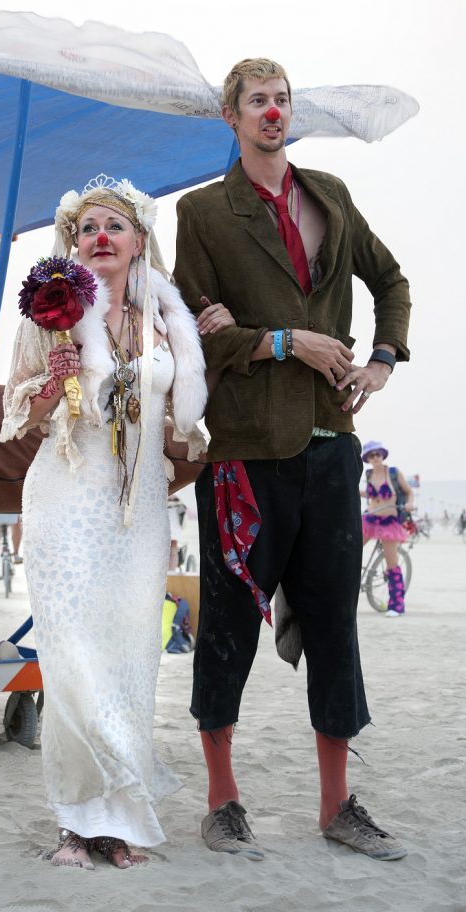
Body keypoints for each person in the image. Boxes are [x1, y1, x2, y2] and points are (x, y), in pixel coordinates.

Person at [173, 58, 411, 861]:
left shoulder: (330, 196)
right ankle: (221, 801)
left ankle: (337, 806)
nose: (272, 112)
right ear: (231, 117)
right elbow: (195, 332)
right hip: (243, 452)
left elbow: (390, 281)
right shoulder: (203, 212)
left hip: (331, 444)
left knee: (335, 624)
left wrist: (381, 358)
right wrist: (282, 341)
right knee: (228, 625)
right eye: (257, 102)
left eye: (281, 100)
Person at [0, 174, 206, 869]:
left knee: (127, 656)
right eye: (87, 228)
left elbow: (181, 421)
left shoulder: (164, 324)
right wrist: (53, 377)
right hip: (66, 500)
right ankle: (74, 821)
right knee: (73, 659)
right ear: (73, 243)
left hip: (139, 509)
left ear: (139, 240)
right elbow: (17, 412)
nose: (100, 237)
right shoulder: (49, 315)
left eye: (114, 226)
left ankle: (115, 822)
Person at [360, 441, 414, 616]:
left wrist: (410, 504)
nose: (375, 457)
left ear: (382, 455)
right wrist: (353, 491)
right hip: (370, 519)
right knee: (350, 550)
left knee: (392, 565)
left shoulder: (393, 473)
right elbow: (371, 495)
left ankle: (396, 606)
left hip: (389, 523)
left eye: (378, 454)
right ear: (367, 458)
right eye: (371, 455)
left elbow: (409, 492)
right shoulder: (368, 474)